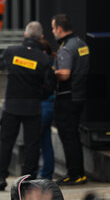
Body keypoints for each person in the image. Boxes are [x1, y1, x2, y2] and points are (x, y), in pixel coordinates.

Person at [0, 21, 55, 191]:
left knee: (6, 143)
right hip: (33, 108)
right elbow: (50, 86)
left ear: (25, 35)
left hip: (11, 106)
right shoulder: (45, 59)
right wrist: (40, 96)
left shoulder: (11, 51)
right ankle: (27, 180)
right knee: (32, 144)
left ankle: (1, 177)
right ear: (41, 38)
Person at [51, 14, 89, 185]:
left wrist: (49, 72)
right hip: (80, 95)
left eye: (53, 28)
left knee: (68, 136)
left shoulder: (66, 48)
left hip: (67, 98)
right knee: (74, 135)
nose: (52, 32)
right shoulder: (81, 43)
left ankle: (75, 174)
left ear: (59, 29)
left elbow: (65, 74)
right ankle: (78, 172)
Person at [39, 39, 55, 180]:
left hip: (43, 106)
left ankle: (43, 175)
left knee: (37, 142)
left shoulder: (45, 64)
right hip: (48, 106)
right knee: (45, 143)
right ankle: (46, 175)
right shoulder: (51, 63)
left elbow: (46, 88)